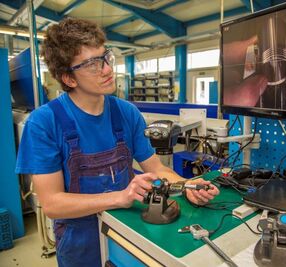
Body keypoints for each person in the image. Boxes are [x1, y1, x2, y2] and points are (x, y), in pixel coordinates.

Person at [15, 17, 219, 267]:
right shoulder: (44, 123)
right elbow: (52, 204)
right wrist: (120, 197)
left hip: (125, 234)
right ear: (68, 78)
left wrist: (188, 186)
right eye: (92, 64)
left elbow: (156, 169)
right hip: (79, 244)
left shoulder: (127, 113)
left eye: (106, 57)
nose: (108, 69)